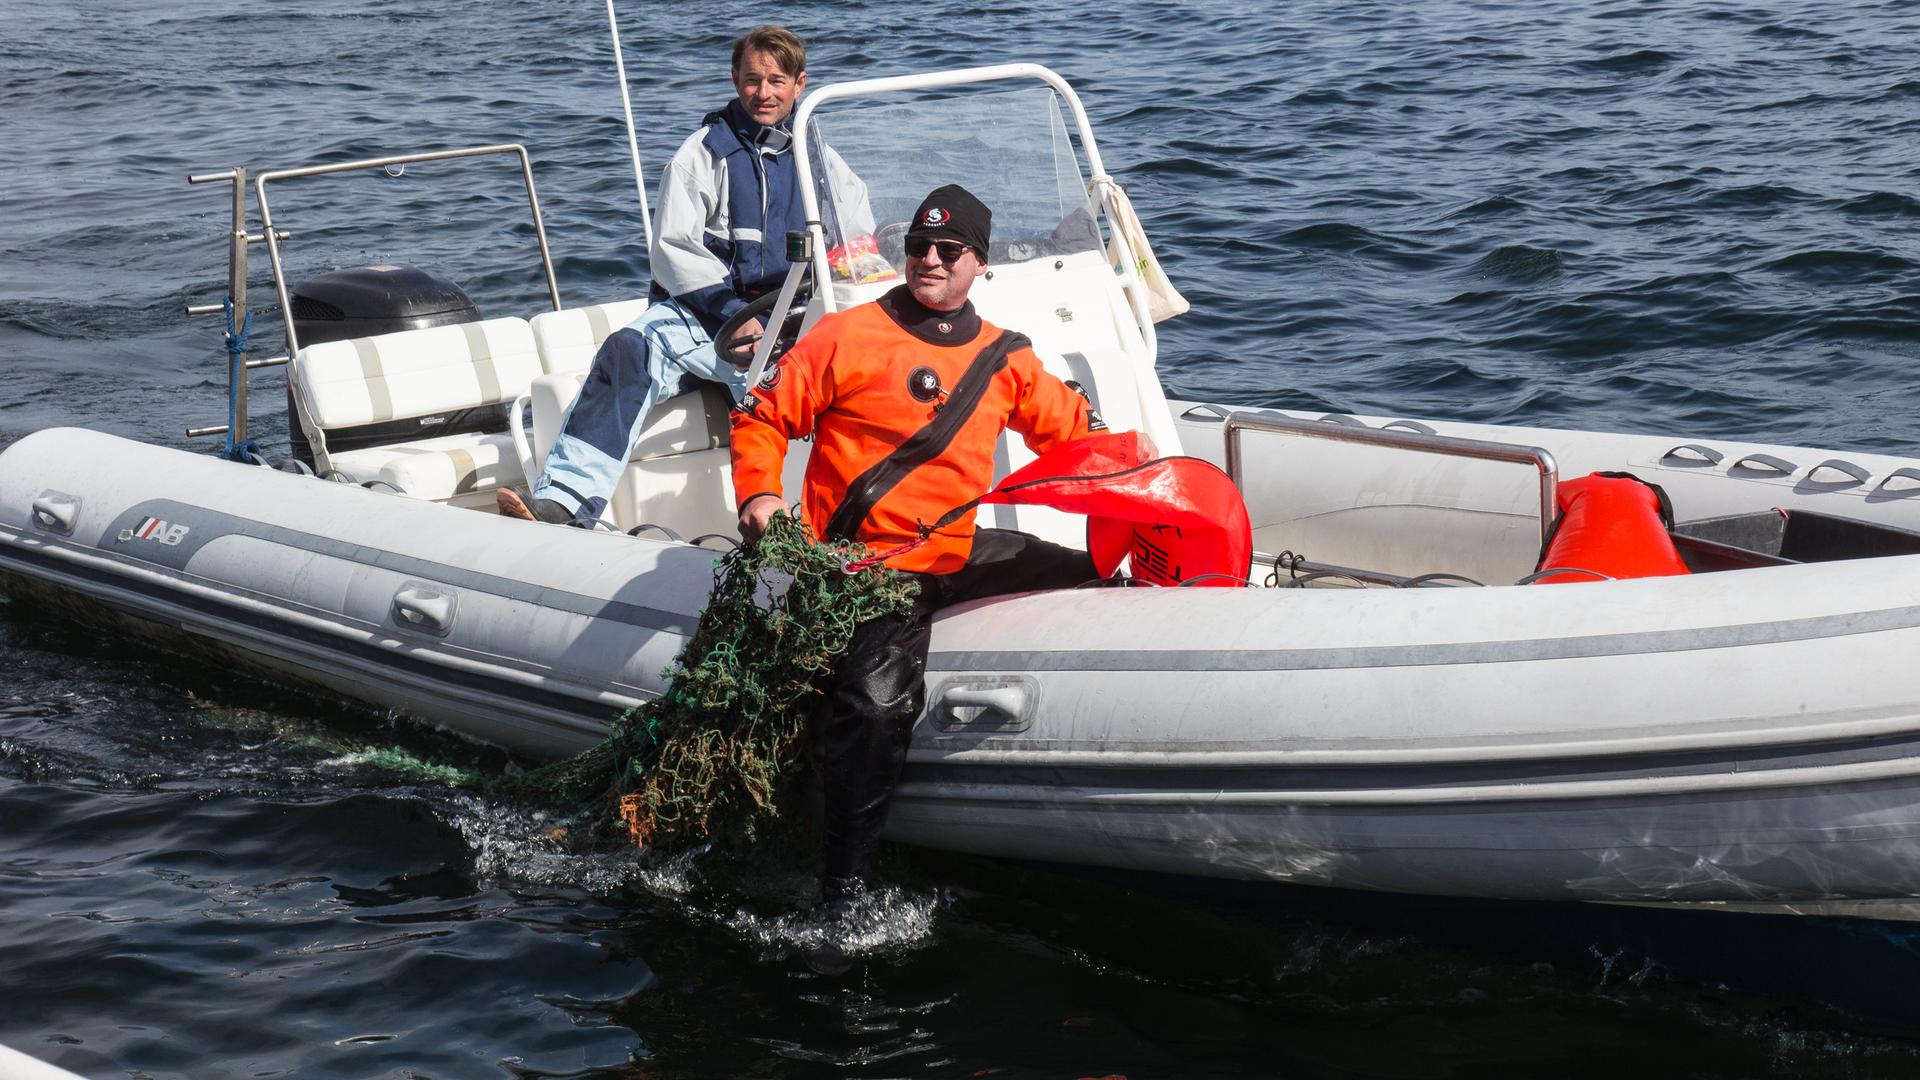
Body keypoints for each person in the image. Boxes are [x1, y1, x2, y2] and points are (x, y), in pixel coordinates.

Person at [731, 184, 1100, 910]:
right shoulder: (845, 336)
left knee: (1090, 578)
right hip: (867, 571)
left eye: (948, 250)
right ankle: (844, 896)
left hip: (955, 554)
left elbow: (1076, 435)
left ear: (979, 264)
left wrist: (1145, 476)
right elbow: (762, 419)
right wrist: (760, 497)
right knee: (871, 711)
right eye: (918, 247)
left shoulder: (1006, 357)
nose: (929, 259)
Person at [502, 25, 867, 523]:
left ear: (800, 84)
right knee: (628, 349)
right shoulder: (701, 154)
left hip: (794, 327)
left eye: (777, 81)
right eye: (752, 80)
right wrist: (733, 315)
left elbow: (858, 244)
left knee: (845, 389)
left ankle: (842, 524)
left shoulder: (822, 162)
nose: (764, 93)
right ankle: (562, 506)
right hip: (707, 317)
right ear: (735, 79)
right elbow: (673, 250)